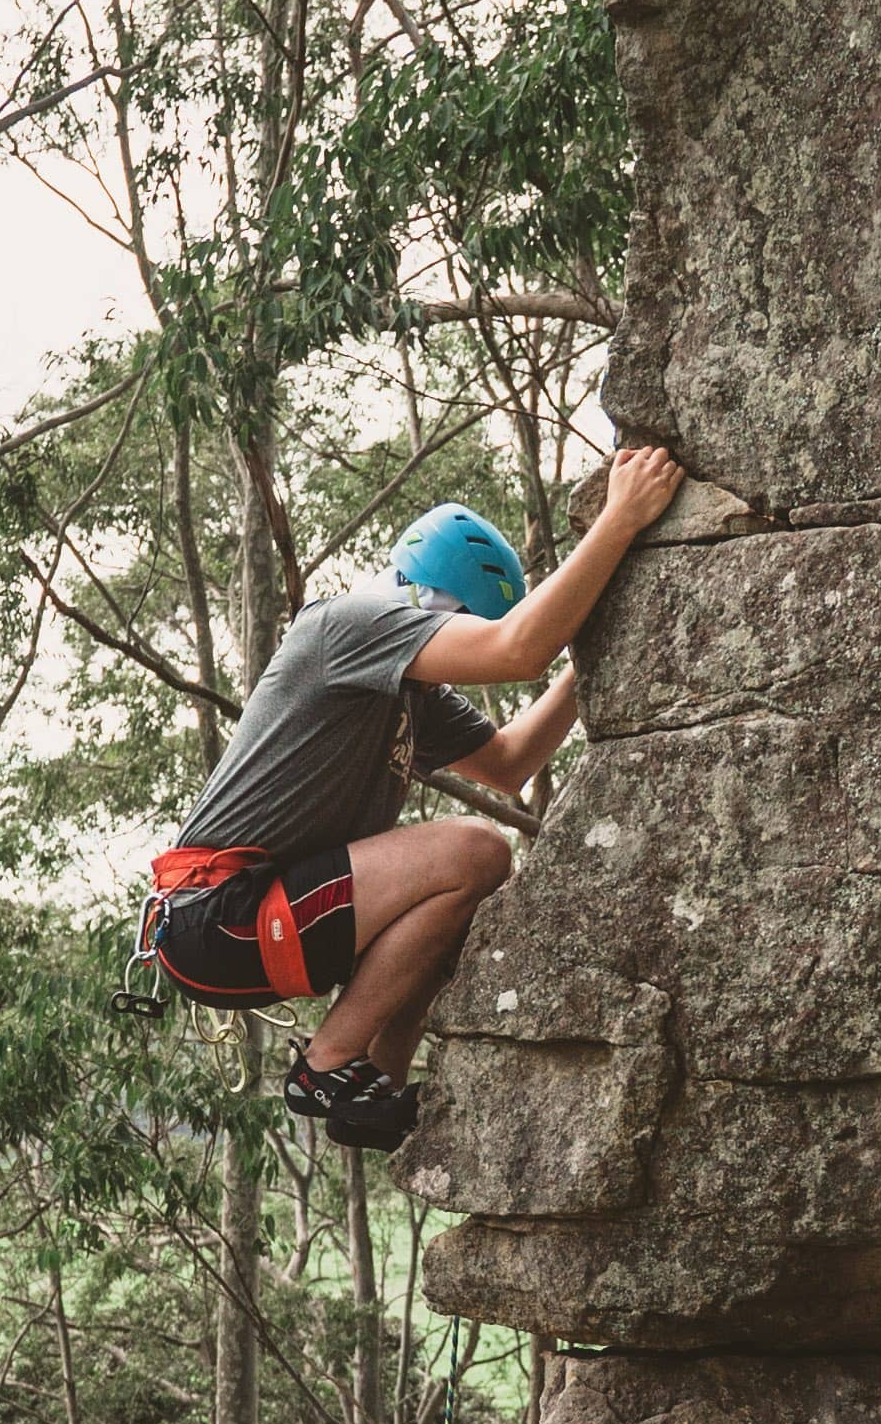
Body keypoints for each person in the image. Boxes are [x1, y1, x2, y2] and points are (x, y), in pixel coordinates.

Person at [141, 443, 687, 1147]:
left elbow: (509, 761)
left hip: (259, 920)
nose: (448, 646)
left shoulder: (412, 694)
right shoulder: (353, 624)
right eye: (452, 621)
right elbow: (516, 649)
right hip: (219, 916)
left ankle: (370, 1085)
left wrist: (598, 661)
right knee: (476, 850)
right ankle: (327, 1065)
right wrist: (620, 521)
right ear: (426, 602)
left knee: (457, 908)